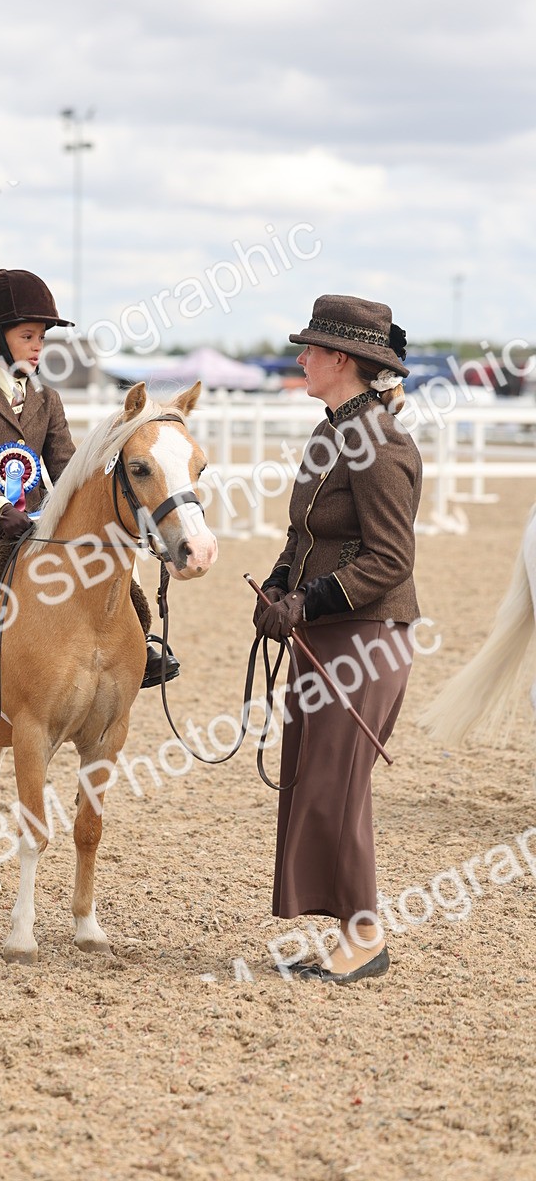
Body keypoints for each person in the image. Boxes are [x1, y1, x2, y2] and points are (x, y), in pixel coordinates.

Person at [0, 268, 177, 717]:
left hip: (36, 517)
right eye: (27, 336)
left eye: (41, 338)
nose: (38, 346)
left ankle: (143, 642)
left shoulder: (47, 398)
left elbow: (64, 462)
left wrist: (89, 506)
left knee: (119, 555)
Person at [253, 294, 422, 984]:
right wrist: (277, 586)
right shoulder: (332, 434)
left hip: (367, 637)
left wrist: (310, 600)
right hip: (326, 636)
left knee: (337, 785)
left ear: (342, 360)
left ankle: (366, 936)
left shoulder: (381, 441)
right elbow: (304, 535)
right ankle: (349, 930)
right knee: (315, 778)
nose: (301, 359)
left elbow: (391, 558)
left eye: (311, 350)